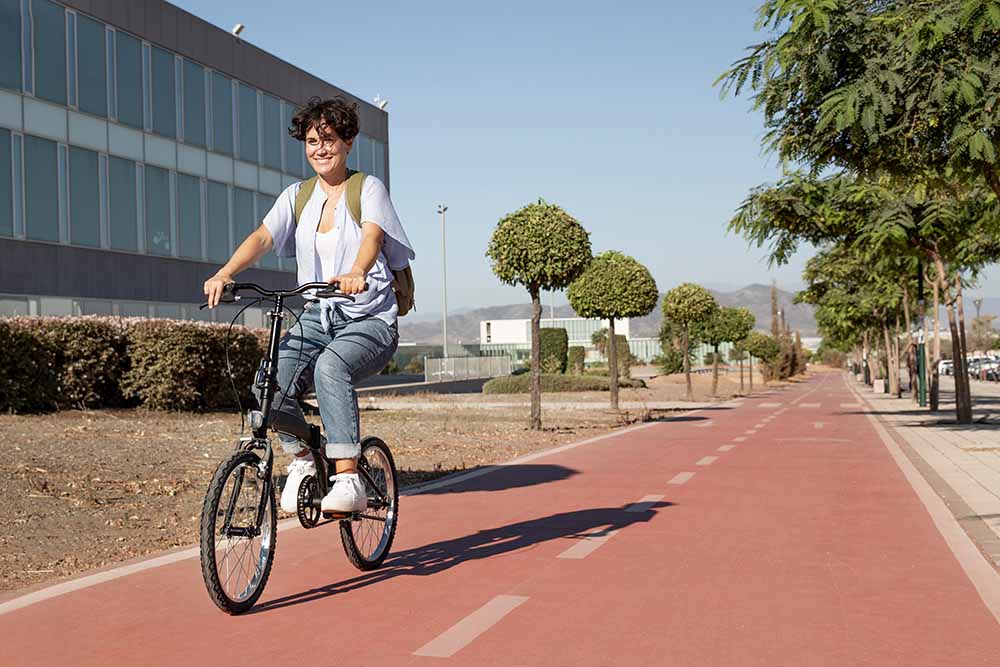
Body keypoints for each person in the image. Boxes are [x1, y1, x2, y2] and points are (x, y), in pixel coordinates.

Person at [203, 96, 414, 514]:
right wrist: (225, 272)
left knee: (330, 366)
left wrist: (357, 270)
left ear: (348, 142)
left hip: (368, 319)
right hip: (318, 315)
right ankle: (302, 459)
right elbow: (263, 237)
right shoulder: (297, 196)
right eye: (313, 140)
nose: (321, 148)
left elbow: (372, 236)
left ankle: (350, 477)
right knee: (269, 381)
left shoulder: (367, 189)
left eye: (330, 139)